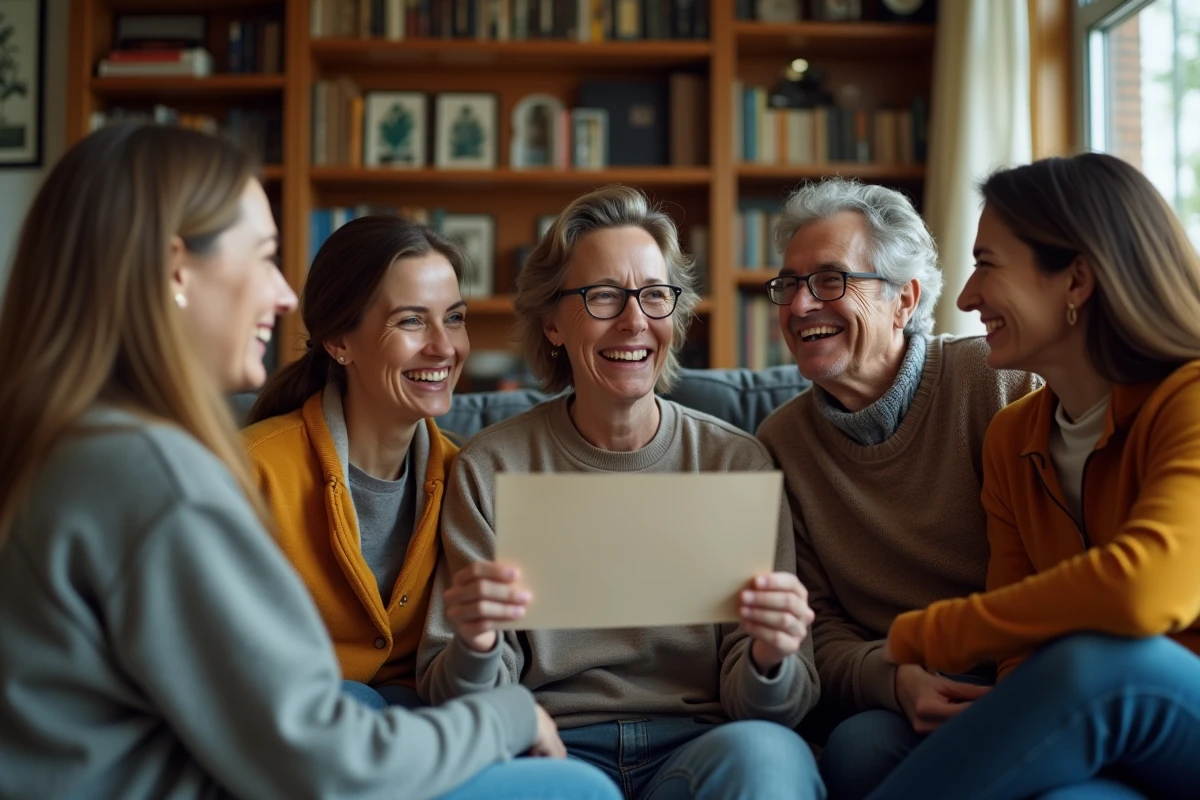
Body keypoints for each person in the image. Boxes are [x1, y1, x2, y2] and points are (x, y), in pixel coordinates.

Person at [0, 122, 619, 800]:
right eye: (264, 257)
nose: (285, 295)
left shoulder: (80, 447)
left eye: (454, 317)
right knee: (577, 792)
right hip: (310, 758)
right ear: (177, 268)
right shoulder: (165, 477)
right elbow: (320, 756)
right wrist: (506, 716)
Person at [418, 185, 825, 800]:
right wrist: (475, 647)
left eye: (654, 295)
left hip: (700, 746)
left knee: (769, 758)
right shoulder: (491, 467)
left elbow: (773, 708)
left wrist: (770, 658)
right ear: (552, 323)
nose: (635, 320)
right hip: (552, 747)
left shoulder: (734, 463)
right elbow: (450, 696)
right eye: (603, 295)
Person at [868, 153, 1200, 799]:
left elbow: (1144, 591)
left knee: (1106, 664)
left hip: (1162, 705)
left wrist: (935, 631)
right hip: (1114, 737)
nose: (965, 297)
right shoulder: (1012, 437)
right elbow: (1024, 656)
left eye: (987, 264)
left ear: (1076, 281)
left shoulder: (1189, 398)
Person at [753, 178, 1039, 798]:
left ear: (903, 300)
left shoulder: (1001, 384)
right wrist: (892, 678)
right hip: (907, 692)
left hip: (1033, 672)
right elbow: (815, 626)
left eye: (831, 280)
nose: (799, 305)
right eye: (788, 284)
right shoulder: (780, 444)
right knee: (858, 750)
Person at [243, 216, 466, 711]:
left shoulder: (467, 475)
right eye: (412, 321)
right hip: (298, 717)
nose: (444, 347)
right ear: (339, 341)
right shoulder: (252, 470)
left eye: (454, 317)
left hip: (423, 715)